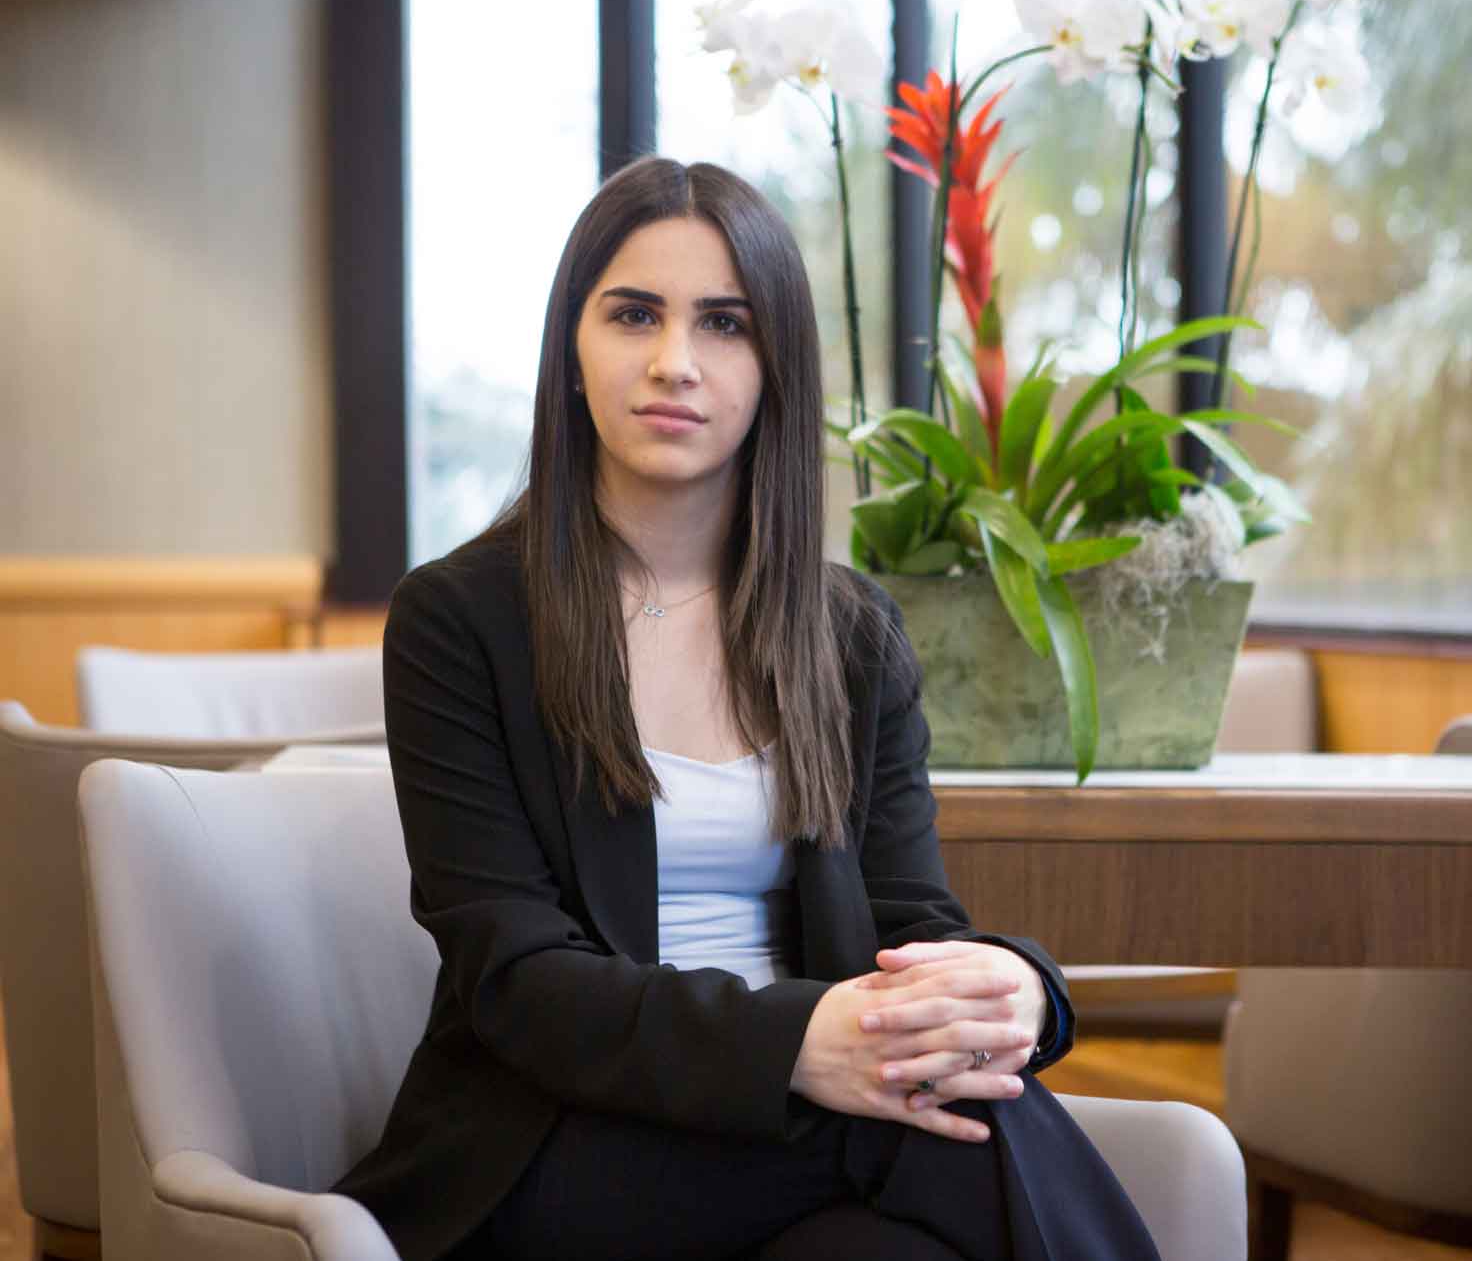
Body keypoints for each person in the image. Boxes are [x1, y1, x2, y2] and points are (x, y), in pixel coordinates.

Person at [332, 156, 1161, 1261]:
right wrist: (798, 1045)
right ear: (571, 350)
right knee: (951, 1135)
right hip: (553, 1142)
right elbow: (517, 981)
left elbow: (908, 921)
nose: (675, 362)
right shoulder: (459, 618)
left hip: (803, 1128)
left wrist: (1017, 987)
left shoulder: (850, 633)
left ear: (775, 366)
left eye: (724, 324)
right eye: (634, 315)